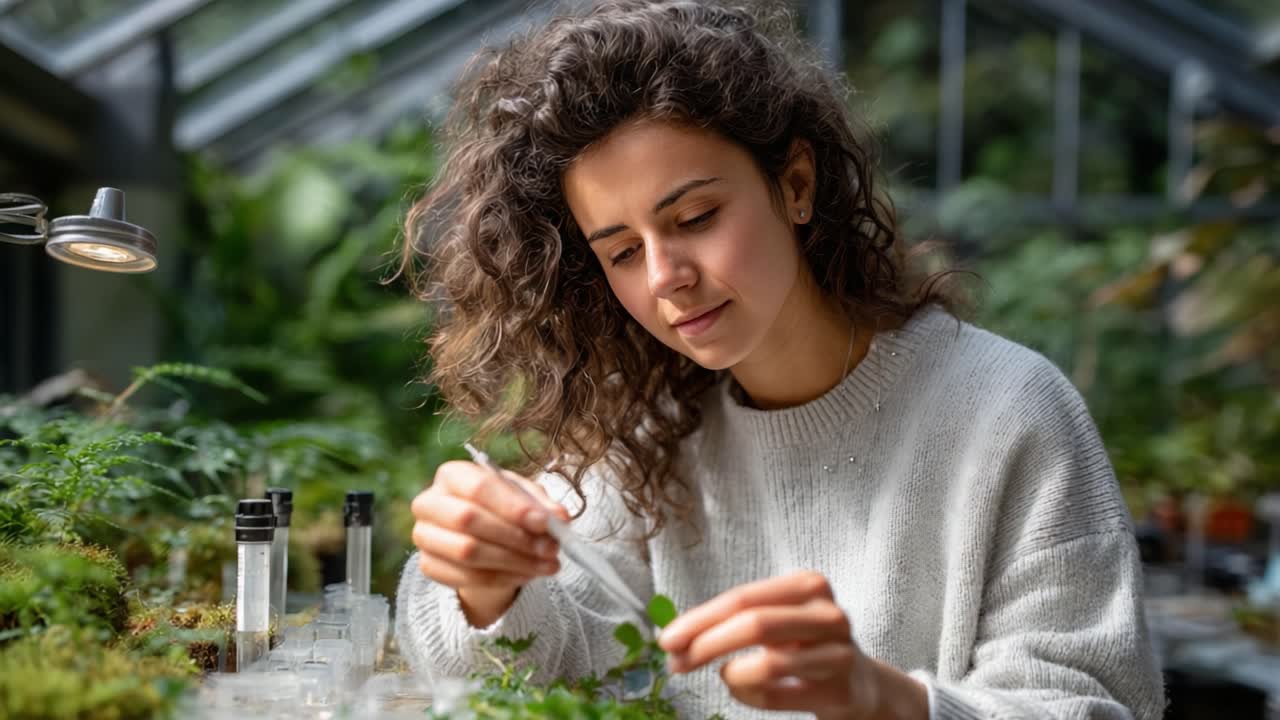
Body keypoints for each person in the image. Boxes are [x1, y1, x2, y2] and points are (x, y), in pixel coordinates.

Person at [393, 1, 1166, 718]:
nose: (666, 277)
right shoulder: (649, 434)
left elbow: (1093, 702)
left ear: (796, 184)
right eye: (623, 252)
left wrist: (883, 697)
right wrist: (484, 590)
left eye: (695, 217)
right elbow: (538, 667)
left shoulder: (1007, 410)